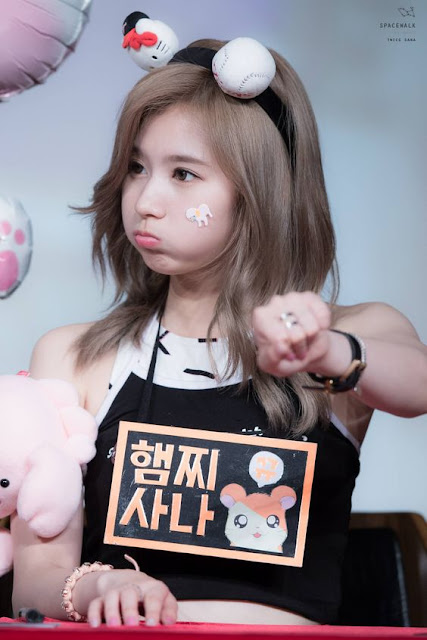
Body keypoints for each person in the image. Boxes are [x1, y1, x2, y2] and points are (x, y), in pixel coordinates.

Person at [11, 34, 427, 629]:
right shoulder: (75, 356)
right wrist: (97, 584)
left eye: (183, 173)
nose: (145, 200)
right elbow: (34, 581)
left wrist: (328, 351)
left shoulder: (359, 332)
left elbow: (418, 385)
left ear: (260, 190)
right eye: (136, 168)